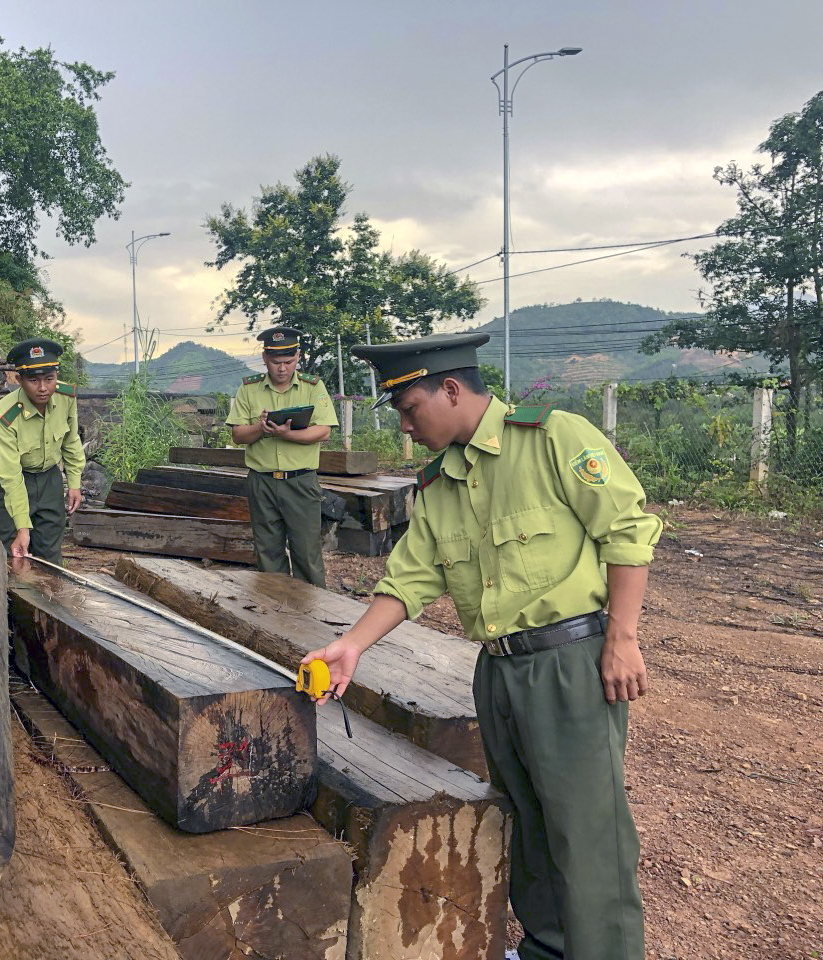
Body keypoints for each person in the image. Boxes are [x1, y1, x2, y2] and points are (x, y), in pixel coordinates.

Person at [302, 332, 661, 960]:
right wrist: (352, 645)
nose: (406, 428)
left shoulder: (553, 438)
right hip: (497, 673)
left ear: (449, 389)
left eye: (411, 410)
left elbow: (627, 530)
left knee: (587, 829)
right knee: (529, 816)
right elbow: (411, 577)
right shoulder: (440, 482)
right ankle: (549, 947)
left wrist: (623, 637)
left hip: (568, 663)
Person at [226, 326, 338, 587]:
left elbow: (324, 432)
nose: (282, 368)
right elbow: (238, 435)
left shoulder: (312, 386)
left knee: (307, 553)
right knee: (267, 552)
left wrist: (288, 435)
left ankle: (313, 616)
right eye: (276, 362)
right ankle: (275, 616)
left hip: (300, 482)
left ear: (298, 357)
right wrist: (260, 428)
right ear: (265, 358)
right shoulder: (249, 389)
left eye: (288, 361)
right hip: (261, 482)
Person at [0, 338, 84, 564]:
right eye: (33, 380)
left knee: (50, 556)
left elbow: (71, 440)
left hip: (49, 480)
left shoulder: (66, 397)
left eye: (49, 379)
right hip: (9, 484)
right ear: (19, 379)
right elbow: (10, 475)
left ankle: (50, 598)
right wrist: (22, 527)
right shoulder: (6, 415)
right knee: (12, 556)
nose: (43, 388)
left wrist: (74, 482)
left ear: (56, 376)